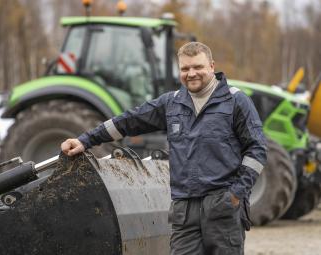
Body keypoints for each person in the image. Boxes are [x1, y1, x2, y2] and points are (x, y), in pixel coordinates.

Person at [61, 42, 267, 255]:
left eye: (198, 67)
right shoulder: (172, 103)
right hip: (184, 210)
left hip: (222, 207)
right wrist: (86, 140)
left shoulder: (235, 101)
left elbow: (257, 150)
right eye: (185, 69)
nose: (191, 73)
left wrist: (236, 194)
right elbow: (129, 121)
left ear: (212, 66)